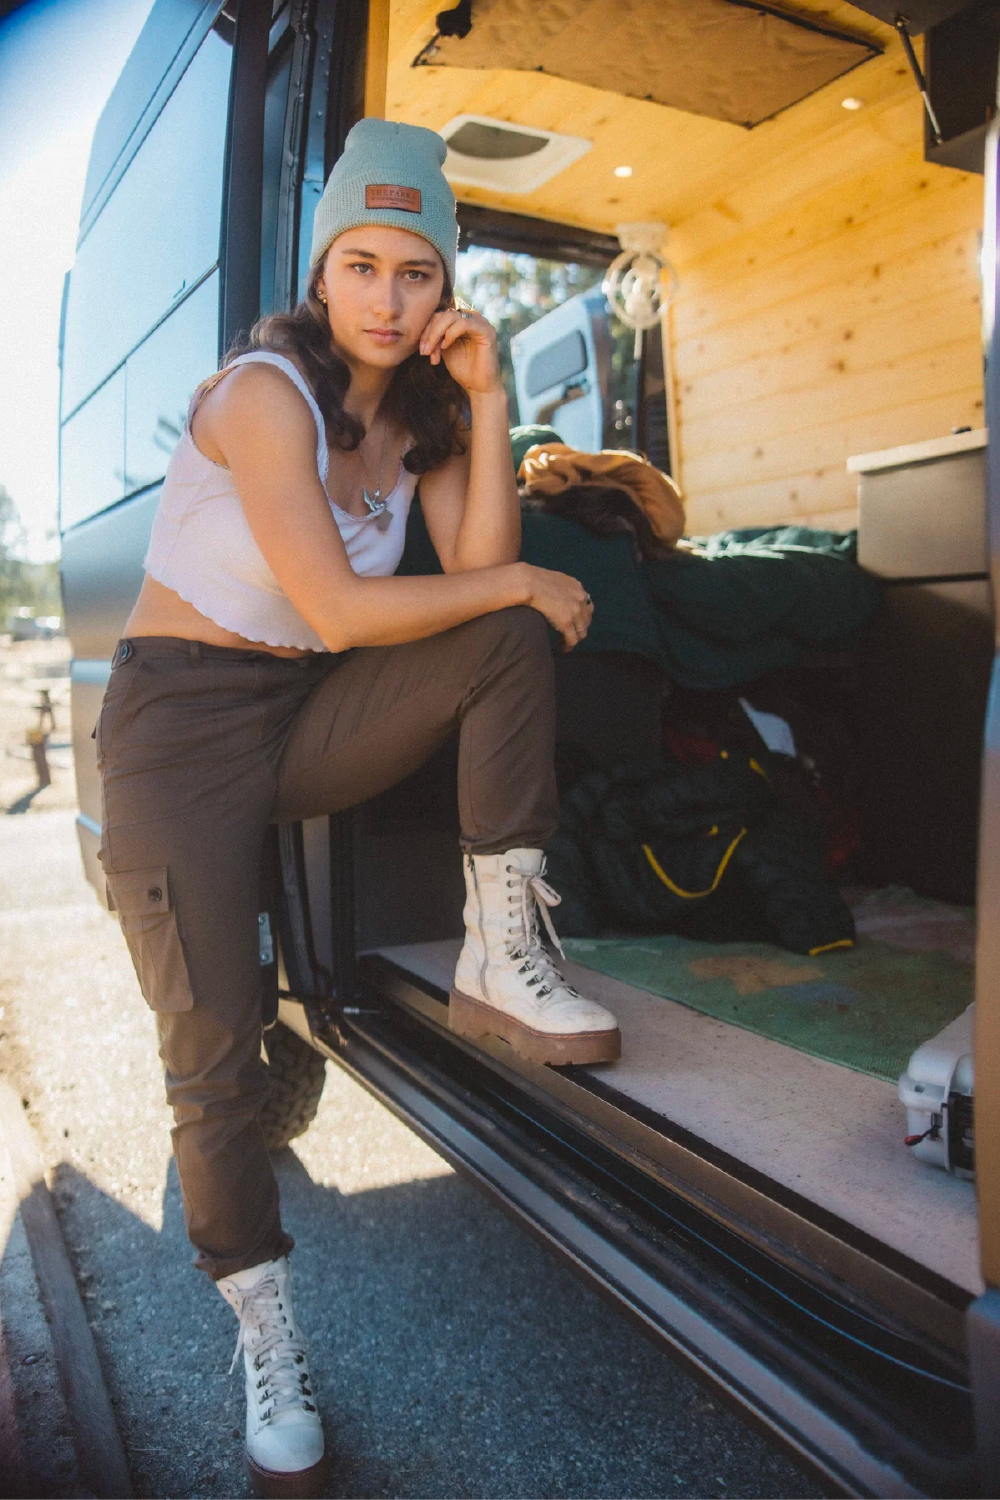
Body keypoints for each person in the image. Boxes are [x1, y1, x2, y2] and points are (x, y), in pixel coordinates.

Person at [96, 117, 621, 1496]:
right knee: (209, 1049)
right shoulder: (265, 392)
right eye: (364, 267)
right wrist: (513, 586)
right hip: (178, 725)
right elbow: (338, 603)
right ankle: (266, 1331)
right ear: (322, 275)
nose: (389, 300)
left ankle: (500, 946)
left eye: (417, 274)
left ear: (445, 288)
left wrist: (492, 398)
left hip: (308, 714)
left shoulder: (429, 408)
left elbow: (484, 566)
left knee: (505, 636)